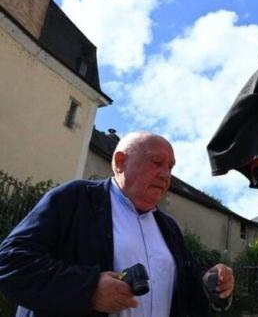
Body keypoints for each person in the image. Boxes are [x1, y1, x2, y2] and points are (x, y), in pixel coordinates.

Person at [0, 132, 234, 317]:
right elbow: (10, 262)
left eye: (170, 167)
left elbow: (186, 286)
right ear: (120, 161)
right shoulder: (75, 199)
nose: (166, 175)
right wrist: (89, 289)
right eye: (156, 162)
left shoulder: (168, 227)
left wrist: (210, 281)